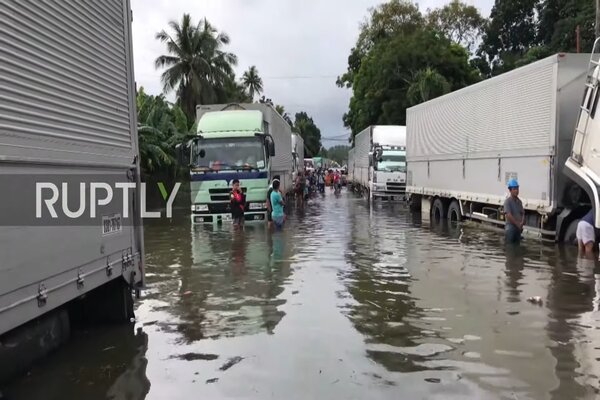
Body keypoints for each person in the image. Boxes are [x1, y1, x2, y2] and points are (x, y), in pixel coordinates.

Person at [503, 178, 524, 244]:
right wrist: (517, 224)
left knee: (517, 246)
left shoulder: (519, 202)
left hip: (518, 228)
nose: (516, 191)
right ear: (510, 190)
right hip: (510, 228)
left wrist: (522, 223)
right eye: (514, 189)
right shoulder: (507, 202)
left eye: (517, 188)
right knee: (510, 247)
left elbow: (523, 213)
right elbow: (508, 215)